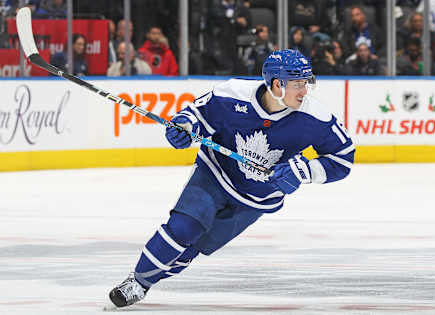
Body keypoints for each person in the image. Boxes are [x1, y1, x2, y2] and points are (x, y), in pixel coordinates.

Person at [107, 49, 355, 308]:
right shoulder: (233, 93)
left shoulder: (315, 117)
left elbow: (343, 158)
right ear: (276, 84)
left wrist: (304, 171)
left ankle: (147, 280)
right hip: (214, 174)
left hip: (256, 198)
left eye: (306, 83)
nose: (304, 91)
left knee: (195, 247)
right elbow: (196, 114)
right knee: (183, 228)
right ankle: (138, 283)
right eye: (298, 84)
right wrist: (185, 128)